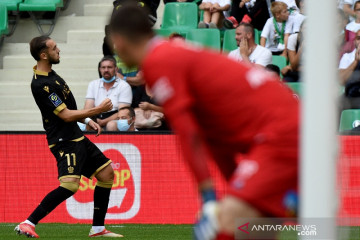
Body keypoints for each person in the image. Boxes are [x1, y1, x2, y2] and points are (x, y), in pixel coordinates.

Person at [109, 3, 298, 239]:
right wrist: (231, 188)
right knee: (253, 229)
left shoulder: (160, 61)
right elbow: (214, 139)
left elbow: (188, 134)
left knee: (223, 224)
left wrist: (208, 196)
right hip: (287, 128)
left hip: (279, 134)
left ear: (119, 40)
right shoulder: (173, 54)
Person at [14, 36, 123, 238]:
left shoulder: (53, 75)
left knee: (107, 174)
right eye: (54, 48)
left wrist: (86, 122)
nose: (59, 50)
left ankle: (98, 229)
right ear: (43, 55)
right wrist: (96, 111)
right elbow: (64, 115)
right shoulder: (41, 85)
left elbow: (68, 109)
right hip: (64, 142)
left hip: (76, 136)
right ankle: (27, 223)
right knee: (70, 185)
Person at [84, 56, 132, 130]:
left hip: (115, 118)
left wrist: (103, 122)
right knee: (82, 124)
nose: (106, 70)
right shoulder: (93, 84)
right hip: (96, 116)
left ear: (116, 69)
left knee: (111, 125)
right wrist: (92, 121)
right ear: (100, 69)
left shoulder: (124, 86)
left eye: (109, 67)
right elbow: (87, 108)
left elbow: (123, 112)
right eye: (103, 67)